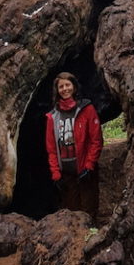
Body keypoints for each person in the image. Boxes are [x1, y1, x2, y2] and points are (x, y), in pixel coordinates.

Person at [45, 71, 103, 222]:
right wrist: (55, 173)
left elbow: (96, 139)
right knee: (72, 213)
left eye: (68, 85)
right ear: (57, 91)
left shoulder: (86, 109)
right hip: (66, 174)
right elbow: (51, 148)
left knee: (89, 209)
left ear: (74, 87)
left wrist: (89, 165)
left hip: (86, 169)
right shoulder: (52, 116)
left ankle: (91, 238)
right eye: (61, 86)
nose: (65, 89)